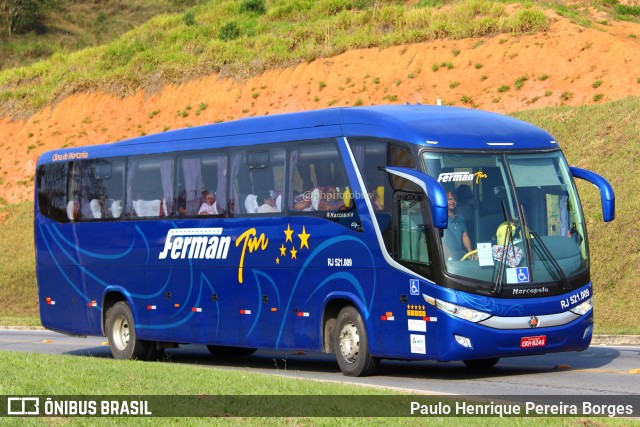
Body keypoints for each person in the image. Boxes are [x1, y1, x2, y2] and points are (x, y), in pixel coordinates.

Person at [441, 191, 474, 261]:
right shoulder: (441, 217)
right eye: (450, 199)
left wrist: (470, 252)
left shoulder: (460, 217)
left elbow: (464, 235)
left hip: (460, 253)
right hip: (446, 254)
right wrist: (448, 256)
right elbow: (440, 240)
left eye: (454, 199)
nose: (453, 201)